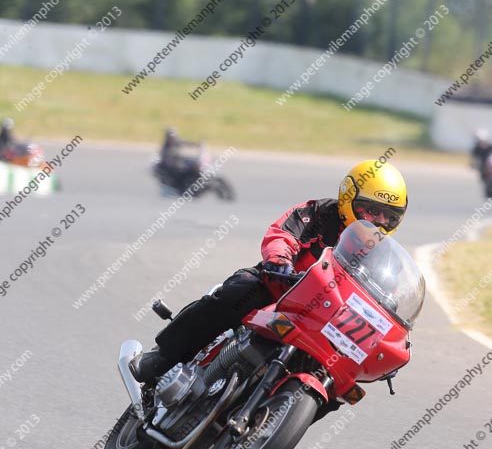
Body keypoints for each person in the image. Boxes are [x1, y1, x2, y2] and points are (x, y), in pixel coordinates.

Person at [130, 160, 409, 386]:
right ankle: (164, 358)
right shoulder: (319, 213)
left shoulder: (385, 257)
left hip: (325, 322)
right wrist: (279, 260)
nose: (380, 222)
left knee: (341, 383)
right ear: (349, 198)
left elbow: (386, 303)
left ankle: (273, 422)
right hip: (279, 290)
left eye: (390, 216)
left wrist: (381, 346)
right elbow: (283, 234)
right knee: (240, 289)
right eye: (372, 211)